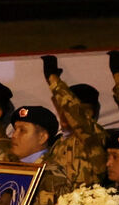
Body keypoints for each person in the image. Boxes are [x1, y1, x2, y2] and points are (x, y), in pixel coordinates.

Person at [41, 55, 107, 187]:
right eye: (61, 109)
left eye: (68, 110)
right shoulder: (57, 143)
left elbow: (78, 116)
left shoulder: (95, 138)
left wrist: (54, 80)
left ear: (89, 114)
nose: (65, 114)